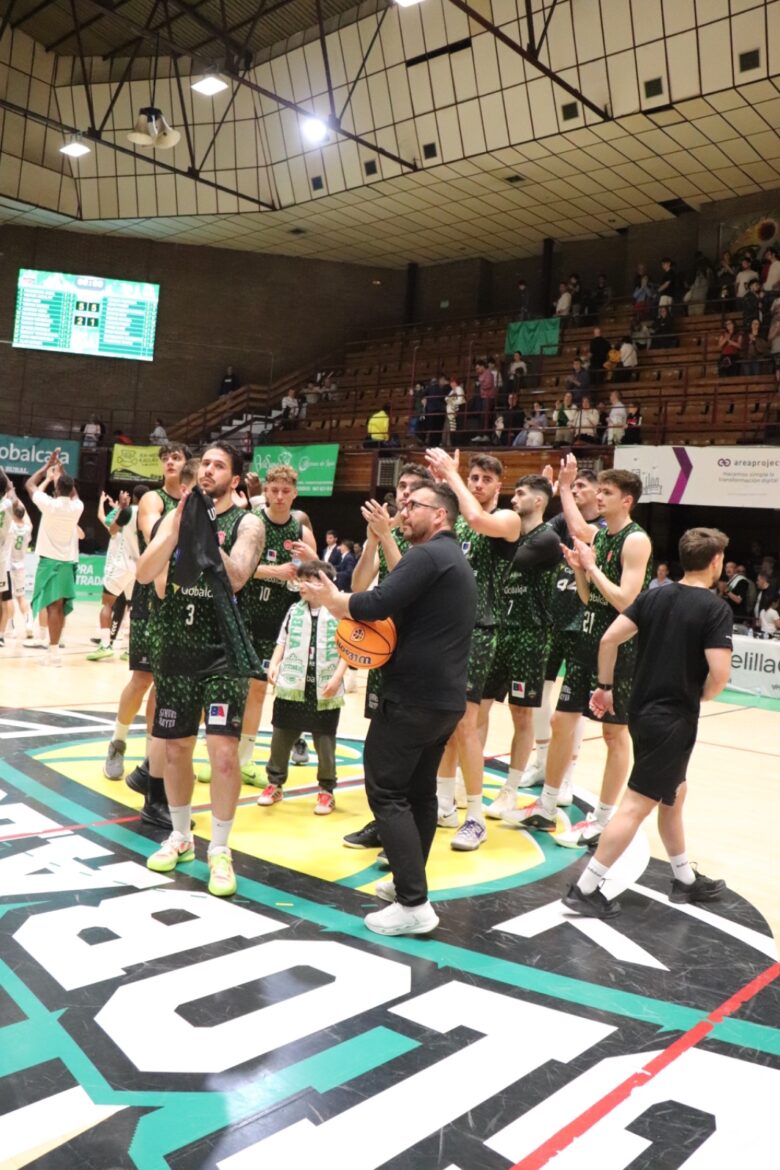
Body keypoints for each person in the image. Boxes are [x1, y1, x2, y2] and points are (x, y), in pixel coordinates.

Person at [308, 481, 477, 936]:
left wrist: (333, 601)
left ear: (440, 514)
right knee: (419, 794)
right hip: (444, 699)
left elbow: (375, 602)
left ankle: (413, 904)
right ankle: (408, 885)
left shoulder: (428, 555)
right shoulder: (449, 558)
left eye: (413, 504)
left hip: (413, 696)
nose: (404, 509)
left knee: (385, 792)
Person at [564, 527, 732, 918]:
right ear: (715, 561)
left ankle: (684, 878)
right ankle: (585, 889)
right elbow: (719, 675)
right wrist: (700, 695)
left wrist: (605, 687)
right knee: (636, 805)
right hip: (672, 719)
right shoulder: (714, 608)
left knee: (674, 793)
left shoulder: (654, 596)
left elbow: (608, 639)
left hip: (641, 712)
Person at [139, 442, 265, 897]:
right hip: (176, 649)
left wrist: (206, 532)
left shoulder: (247, 524)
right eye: (205, 464)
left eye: (219, 465)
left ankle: (221, 849)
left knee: (223, 752)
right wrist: (177, 530)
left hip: (222, 653)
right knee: (175, 750)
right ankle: (180, 835)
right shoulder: (173, 517)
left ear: (235, 479)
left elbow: (237, 577)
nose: (209, 470)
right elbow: (145, 574)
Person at [505, 467, 651, 849]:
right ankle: (547, 805)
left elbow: (626, 601)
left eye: (607, 492)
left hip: (620, 647)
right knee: (561, 720)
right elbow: (590, 598)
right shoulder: (601, 537)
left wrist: (591, 567)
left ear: (627, 501)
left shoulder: (636, 540)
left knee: (614, 734)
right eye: (599, 491)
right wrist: (580, 572)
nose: (599, 497)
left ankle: (602, 820)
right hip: (588, 639)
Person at [426, 450, 520, 852]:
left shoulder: (508, 520)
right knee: (444, 724)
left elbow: (480, 520)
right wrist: (441, 484)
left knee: (465, 723)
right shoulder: (457, 519)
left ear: (499, 484)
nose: (478, 484)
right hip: (444, 629)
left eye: (485, 479)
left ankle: (476, 818)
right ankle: (444, 804)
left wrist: (452, 476)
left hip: (479, 631)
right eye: (474, 477)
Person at [101, 443, 190, 821]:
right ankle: (118, 742)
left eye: (177, 457)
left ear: (187, 464)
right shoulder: (154, 500)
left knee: (167, 684)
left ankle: (151, 762)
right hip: (150, 597)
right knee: (142, 678)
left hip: (184, 600)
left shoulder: (196, 500)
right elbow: (155, 533)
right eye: (165, 458)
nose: (170, 461)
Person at [231, 463, 317, 791]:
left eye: (286, 491)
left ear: (295, 494)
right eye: (274, 490)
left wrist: (306, 566)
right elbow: (233, 567)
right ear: (266, 491)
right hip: (245, 615)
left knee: (259, 689)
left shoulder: (299, 529)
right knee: (232, 687)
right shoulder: (251, 522)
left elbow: (316, 573)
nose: (279, 496)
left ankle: (245, 758)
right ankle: (219, 754)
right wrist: (275, 571)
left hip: (279, 622)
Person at [482, 476, 562, 819]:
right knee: (477, 708)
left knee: (521, 714)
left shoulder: (546, 538)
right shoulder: (509, 533)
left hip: (530, 634)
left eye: (520, 493)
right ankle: (465, 782)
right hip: (499, 629)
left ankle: (510, 790)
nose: (513, 499)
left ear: (540, 501)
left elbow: (510, 562)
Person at [259, 560, 348, 815]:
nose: (302, 585)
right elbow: (282, 640)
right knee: (281, 735)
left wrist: (337, 677)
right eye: (301, 580)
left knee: (325, 741)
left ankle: (327, 790)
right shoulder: (293, 610)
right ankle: (275, 784)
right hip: (292, 684)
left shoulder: (339, 611)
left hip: (325, 686)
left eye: (309, 580)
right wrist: (274, 664)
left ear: (324, 583)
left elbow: (348, 648)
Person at [25, 450, 84, 667]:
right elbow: (73, 493)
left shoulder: (49, 504)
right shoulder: (78, 507)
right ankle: (54, 652)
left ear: (57, 489)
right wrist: (62, 472)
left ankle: (52, 655)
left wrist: (46, 467)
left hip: (49, 562)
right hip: (68, 563)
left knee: (51, 608)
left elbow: (30, 484)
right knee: (60, 607)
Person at [87, 490, 138, 662]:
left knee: (107, 603)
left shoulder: (124, 516)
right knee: (133, 608)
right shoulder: (144, 517)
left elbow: (108, 523)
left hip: (119, 565)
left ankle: (105, 644)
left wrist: (118, 507)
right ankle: (131, 650)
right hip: (137, 566)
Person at [8, 500, 34, 640]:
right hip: (20, 566)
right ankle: (29, 623)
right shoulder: (27, 529)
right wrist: (21, 502)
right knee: (21, 597)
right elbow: (29, 520)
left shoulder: (10, 526)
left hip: (8, 565)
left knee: (7, 598)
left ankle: (11, 628)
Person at [0, 471, 16, 646]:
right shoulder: (8, 505)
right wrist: (10, 488)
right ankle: (1, 635)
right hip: (2, 562)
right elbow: (16, 504)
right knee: (3, 600)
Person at [719, 559, 753, 624]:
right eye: (727, 567)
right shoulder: (729, 582)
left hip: (737, 617)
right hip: (728, 615)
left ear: (735, 570)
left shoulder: (742, 581)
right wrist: (721, 592)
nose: (728, 569)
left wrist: (727, 591)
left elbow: (739, 600)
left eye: (731, 567)